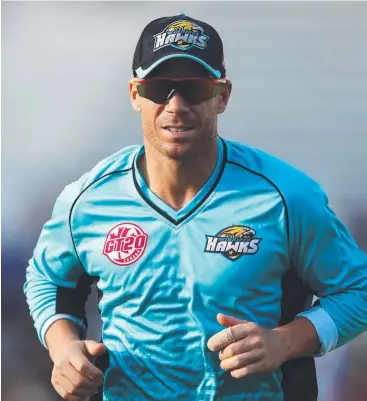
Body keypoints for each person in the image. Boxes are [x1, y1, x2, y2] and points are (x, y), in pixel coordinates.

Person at [24, 13, 367, 401]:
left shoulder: (286, 196)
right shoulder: (87, 199)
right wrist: (63, 347)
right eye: (159, 87)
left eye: (194, 88)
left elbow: (358, 289)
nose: (176, 105)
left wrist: (286, 342)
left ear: (222, 95)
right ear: (135, 94)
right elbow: (47, 278)